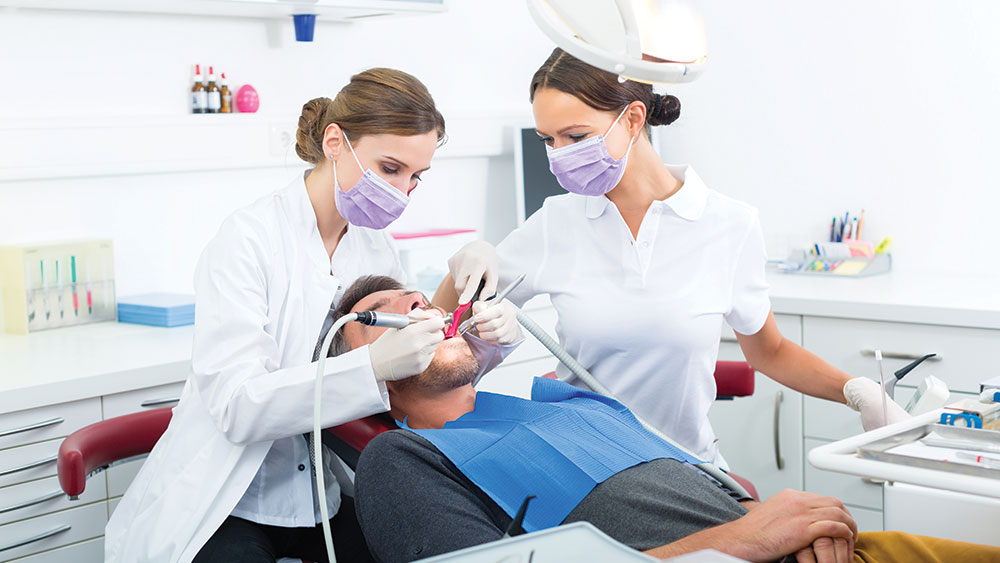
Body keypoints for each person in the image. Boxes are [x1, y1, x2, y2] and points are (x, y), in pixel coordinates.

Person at [437, 47, 906, 466]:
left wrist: (856, 392)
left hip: (688, 466)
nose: (558, 156)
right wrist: (465, 264)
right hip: (586, 464)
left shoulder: (729, 224)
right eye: (548, 140)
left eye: (575, 137)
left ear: (634, 119)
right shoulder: (556, 223)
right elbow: (444, 324)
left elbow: (770, 351)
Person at [325, 277, 999, 563]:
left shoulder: (559, 397)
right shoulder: (403, 460)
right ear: (361, 378)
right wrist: (737, 540)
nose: (418, 305)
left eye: (421, 298)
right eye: (385, 311)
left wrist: (797, 528)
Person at [106, 68, 459, 563]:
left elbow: (406, 376)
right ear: (336, 141)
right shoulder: (249, 239)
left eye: (415, 177)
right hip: (227, 498)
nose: (402, 191)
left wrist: (477, 332)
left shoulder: (375, 246)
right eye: (390, 168)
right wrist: (372, 367)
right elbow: (237, 407)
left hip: (323, 493)